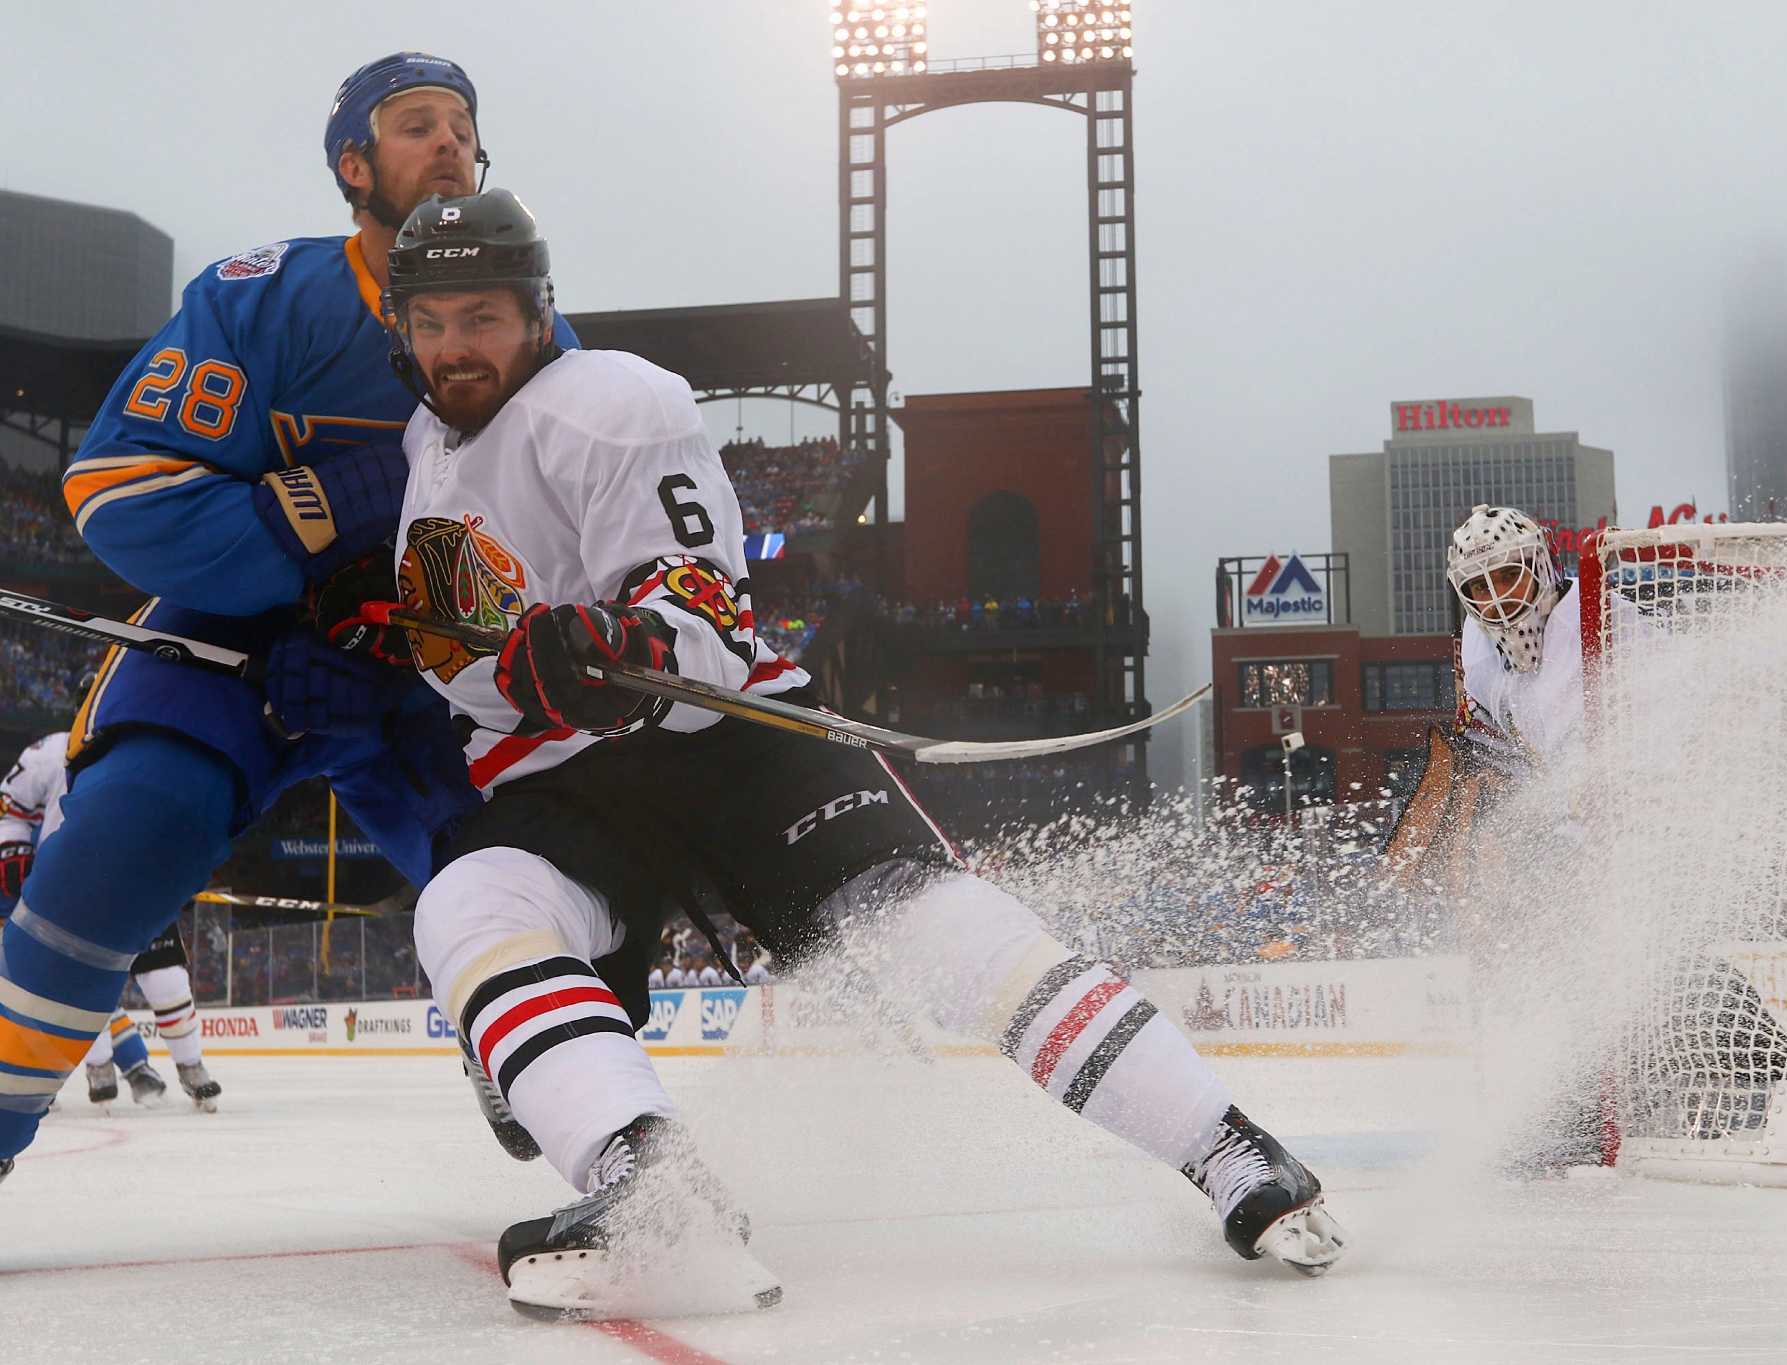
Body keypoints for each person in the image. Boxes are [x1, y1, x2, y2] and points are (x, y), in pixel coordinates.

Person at [380, 190, 1346, 1318]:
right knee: (466, 911)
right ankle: (648, 1186)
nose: (455, 346)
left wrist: (630, 637)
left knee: (929, 925)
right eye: (433, 321)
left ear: (539, 313)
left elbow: (700, 598)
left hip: (719, 738)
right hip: (558, 779)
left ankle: (1229, 1152)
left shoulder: (610, 400)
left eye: (481, 317)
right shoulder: (422, 441)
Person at [0, 52, 577, 1187]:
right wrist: (308, 523)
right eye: (418, 125)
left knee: (531, 886)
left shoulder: (550, 343)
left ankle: (595, 1122)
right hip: (236, 648)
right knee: (108, 859)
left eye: (462, 125)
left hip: (430, 668)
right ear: (353, 165)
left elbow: (568, 543)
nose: (450, 142)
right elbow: (116, 490)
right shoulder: (258, 297)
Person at [1403, 504, 1787, 1170]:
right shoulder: (1477, 646)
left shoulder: (1617, 623)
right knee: (1570, 969)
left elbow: (1692, 713)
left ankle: (1785, 1077)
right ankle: (1588, 1104)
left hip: (1651, 824)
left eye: (1507, 576)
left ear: (1540, 564)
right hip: (1570, 833)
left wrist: (1641, 784)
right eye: (1476, 587)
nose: (1494, 598)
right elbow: (1494, 738)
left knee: (1661, 962)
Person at [1, 703, 219, 1111]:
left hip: (140, 879)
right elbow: (11, 804)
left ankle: (191, 1067)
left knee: (166, 978)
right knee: (77, 986)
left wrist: (181, 862)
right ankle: (100, 1068)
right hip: (69, 886)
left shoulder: (152, 754)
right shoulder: (51, 750)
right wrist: (12, 847)